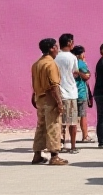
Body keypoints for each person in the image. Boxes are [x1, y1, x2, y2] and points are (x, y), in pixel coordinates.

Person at [31, 37, 68, 166]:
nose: (57, 49)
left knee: (41, 126)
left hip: (39, 98)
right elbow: (54, 85)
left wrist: (34, 96)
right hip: (49, 98)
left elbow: (34, 83)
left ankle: (37, 154)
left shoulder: (36, 64)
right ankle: (54, 156)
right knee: (53, 126)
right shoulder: (51, 64)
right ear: (52, 48)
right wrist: (59, 102)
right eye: (56, 47)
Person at [54, 33, 81, 153]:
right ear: (69, 42)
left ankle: (60, 144)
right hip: (71, 92)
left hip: (59, 92)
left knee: (61, 122)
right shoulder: (72, 57)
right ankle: (73, 146)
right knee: (73, 122)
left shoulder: (55, 57)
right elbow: (75, 72)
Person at [72, 45, 94, 143]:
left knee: (71, 117)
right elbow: (87, 76)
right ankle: (85, 136)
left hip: (71, 93)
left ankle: (69, 137)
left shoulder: (70, 62)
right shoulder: (81, 63)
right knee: (83, 116)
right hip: (81, 92)